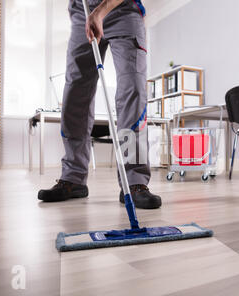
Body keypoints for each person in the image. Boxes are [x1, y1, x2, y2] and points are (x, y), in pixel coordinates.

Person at [38, 0, 161, 209]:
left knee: (132, 90)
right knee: (75, 93)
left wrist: (101, 10)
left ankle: (134, 181)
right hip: (83, 10)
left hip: (124, 9)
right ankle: (73, 177)